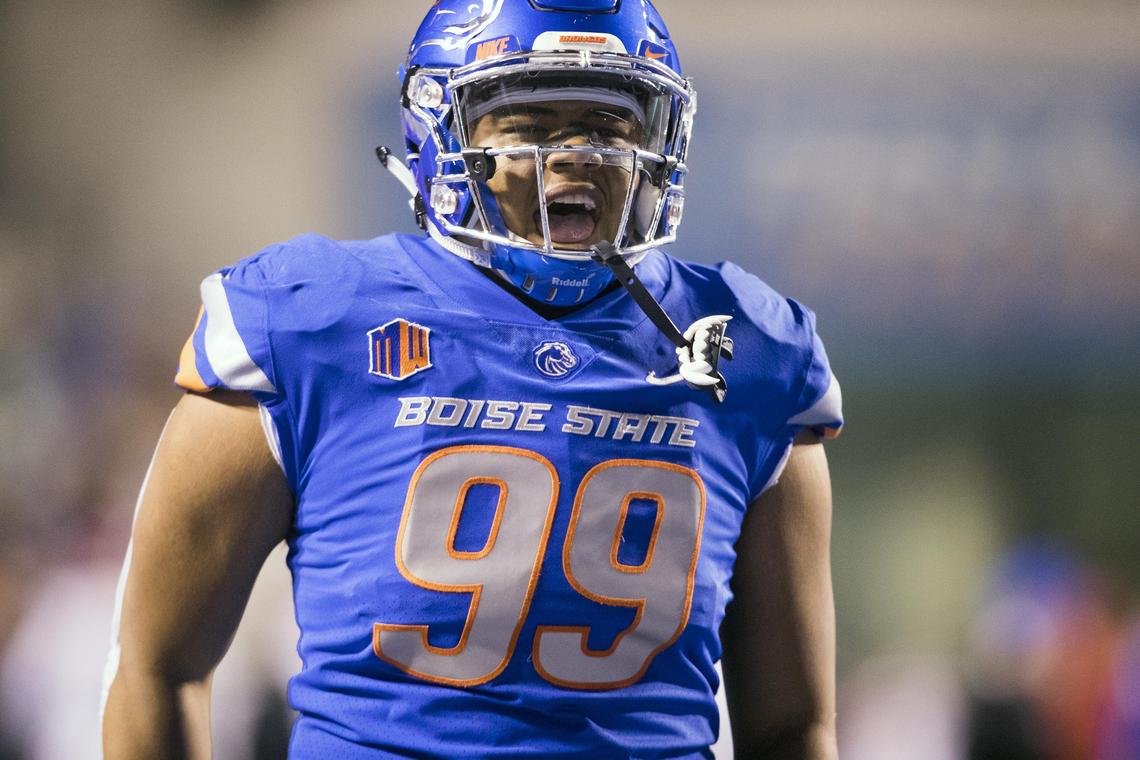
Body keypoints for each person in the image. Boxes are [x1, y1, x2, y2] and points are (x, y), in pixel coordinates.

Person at [101, 1, 844, 757]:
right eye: (528, 123)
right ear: (443, 132)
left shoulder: (752, 349)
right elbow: (157, 669)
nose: (577, 154)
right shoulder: (308, 322)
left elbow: (793, 727)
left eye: (608, 123)